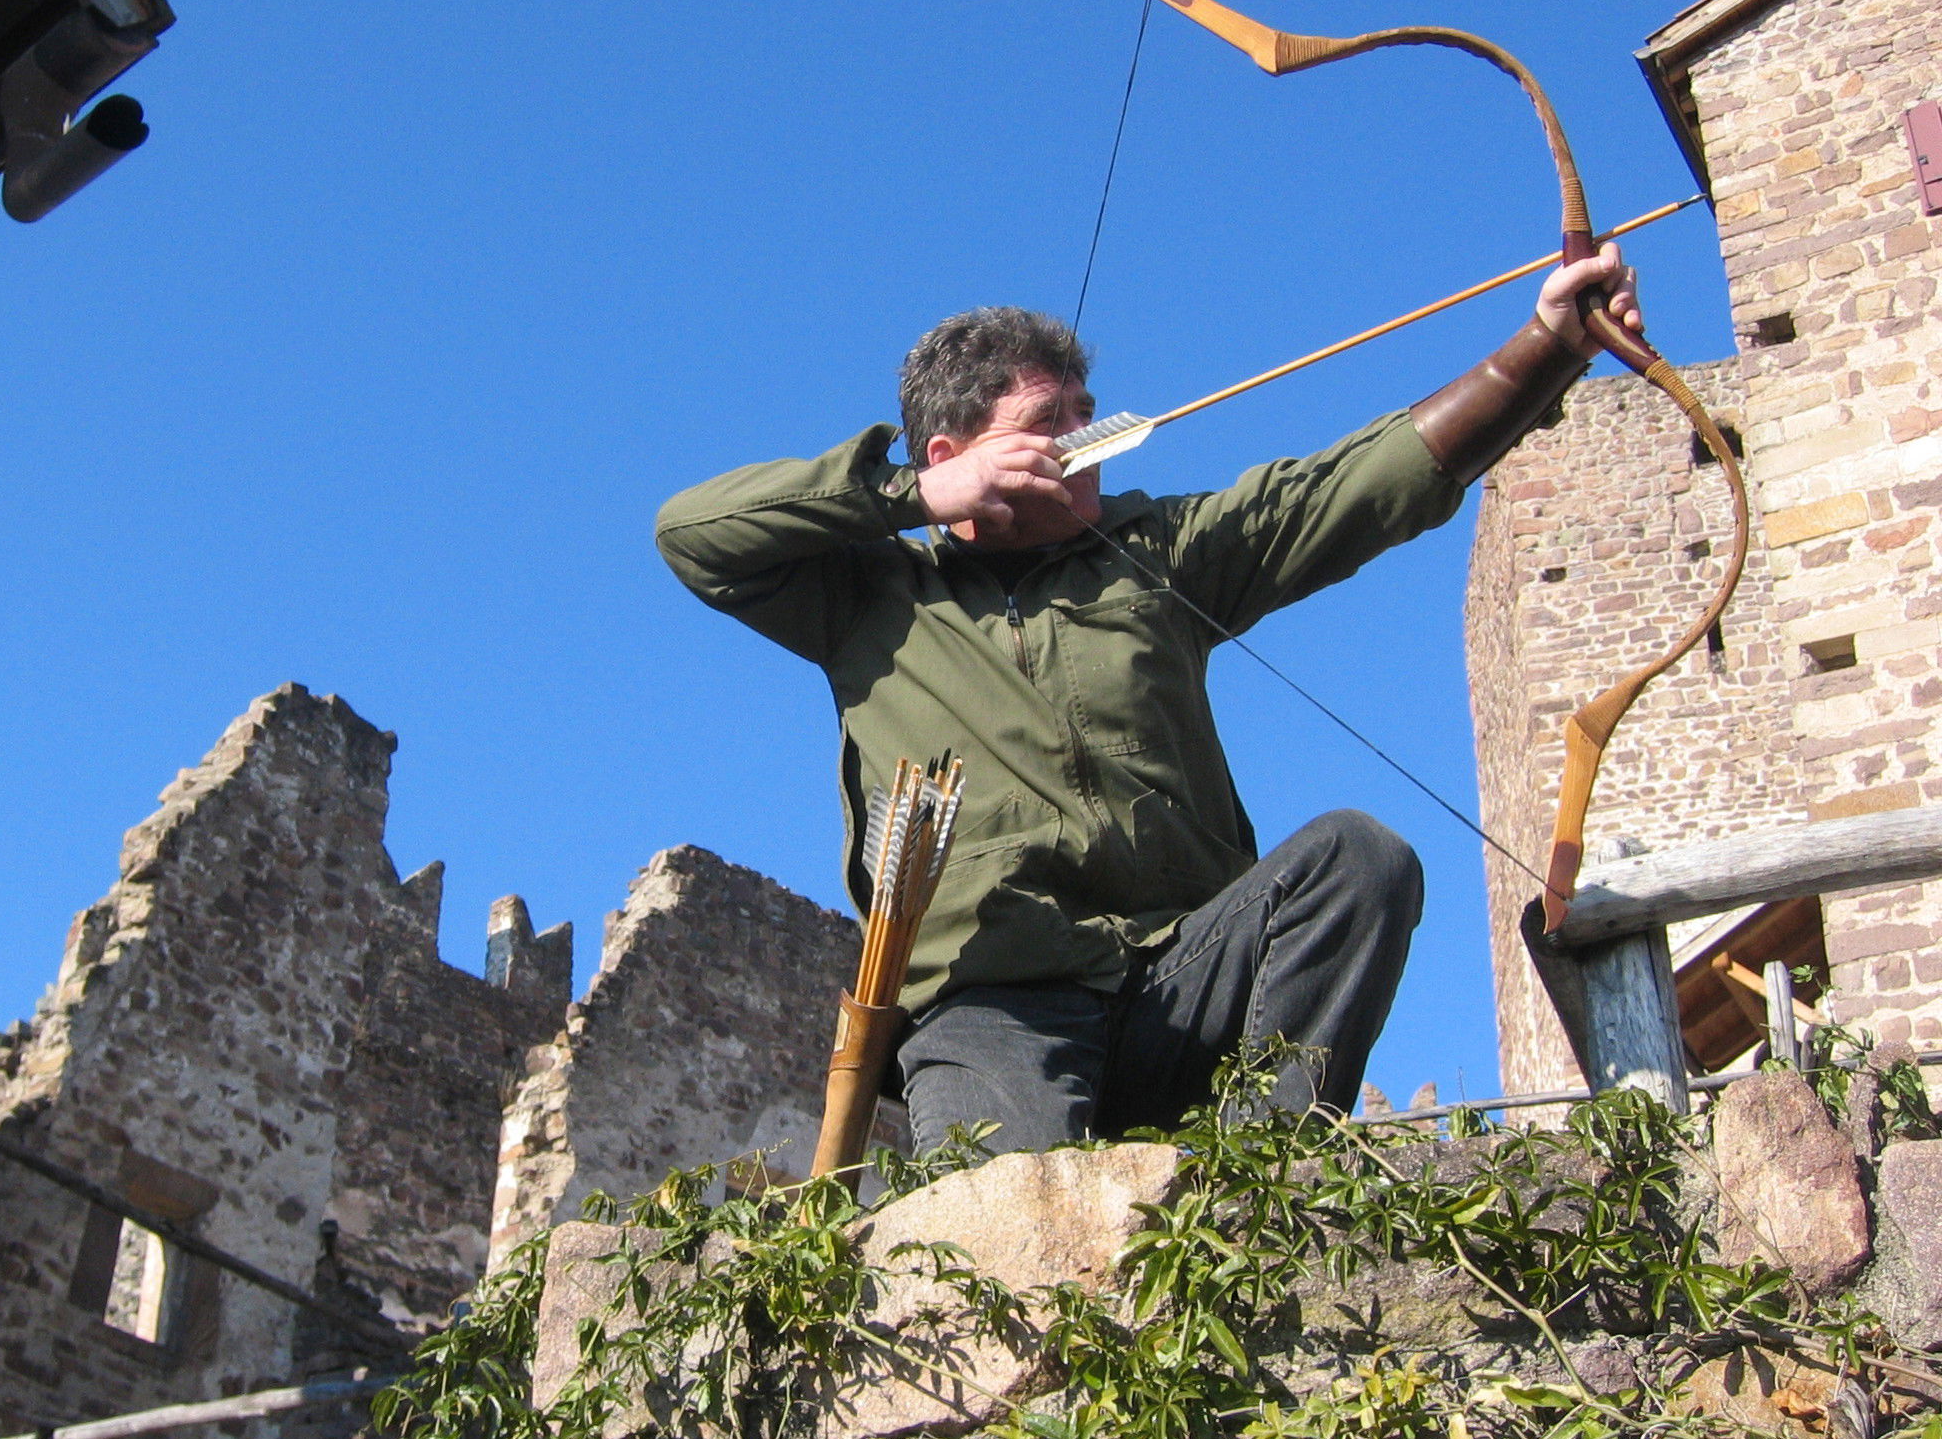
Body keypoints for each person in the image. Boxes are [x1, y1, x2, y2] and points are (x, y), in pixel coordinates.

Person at [655, 249, 1641, 1154]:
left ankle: (1260, 1185)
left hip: (1184, 977)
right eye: (1048, 424)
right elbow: (690, 534)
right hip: (995, 1004)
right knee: (1007, 1225)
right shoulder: (865, 597)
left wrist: (1545, 351)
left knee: (1358, 858)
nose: (1085, 438)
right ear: (952, 452)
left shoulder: (1159, 553)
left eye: (1085, 411)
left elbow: (1356, 487)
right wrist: (910, 497)